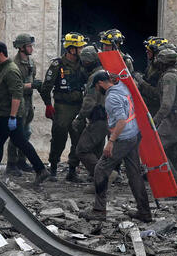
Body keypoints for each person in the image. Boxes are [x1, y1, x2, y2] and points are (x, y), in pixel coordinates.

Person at [81, 70, 152, 223]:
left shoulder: (111, 98)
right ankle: (144, 212)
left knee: (100, 169)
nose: (96, 90)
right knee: (134, 174)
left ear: (100, 84)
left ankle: (99, 210)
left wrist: (111, 142)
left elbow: (121, 121)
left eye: (96, 87)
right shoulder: (121, 87)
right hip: (133, 135)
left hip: (123, 139)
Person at [0, 42, 48, 182]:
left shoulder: (11, 70)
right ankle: (41, 169)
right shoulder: (2, 68)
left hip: (8, 114)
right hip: (3, 111)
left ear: (1, 54)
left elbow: (16, 95)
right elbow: (1, 90)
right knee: (20, 142)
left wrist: (13, 117)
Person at [39, 32, 88, 179]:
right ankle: (53, 168)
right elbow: (45, 88)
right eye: (79, 48)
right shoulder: (57, 65)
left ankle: (72, 171)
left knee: (78, 139)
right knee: (59, 138)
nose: (81, 50)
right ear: (71, 49)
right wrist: (48, 105)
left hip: (78, 106)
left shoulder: (83, 64)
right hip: (62, 107)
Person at [151, 47, 177, 189]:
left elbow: (167, 104)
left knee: (156, 148)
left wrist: (154, 121)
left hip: (174, 119)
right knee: (174, 152)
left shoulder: (168, 77)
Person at [72, 46, 109, 183]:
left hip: (98, 119)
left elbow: (89, 102)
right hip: (105, 118)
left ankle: (104, 175)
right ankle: (98, 181)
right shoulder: (105, 72)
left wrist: (79, 118)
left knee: (82, 150)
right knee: (97, 151)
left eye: (85, 62)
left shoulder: (95, 77)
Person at [7, 33, 39, 174]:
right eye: (28, 46)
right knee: (16, 134)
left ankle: (22, 160)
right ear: (21, 48)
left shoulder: (31, 63)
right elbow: (15, 87)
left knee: (26, 133)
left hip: (28, 102)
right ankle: (11, 164)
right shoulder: (14, 65)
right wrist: (31, 85)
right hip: (18, 102)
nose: (31, 48)